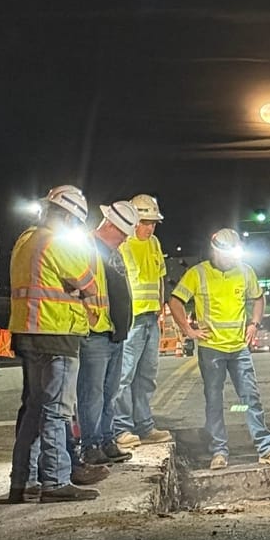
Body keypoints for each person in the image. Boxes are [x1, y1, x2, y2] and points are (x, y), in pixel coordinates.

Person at [7, 185, 103, 503]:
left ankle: (23, 481)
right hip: (56, 333)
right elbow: (88, 281)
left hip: (27, 332)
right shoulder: (58, 242)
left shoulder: (25, 240)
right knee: (57, 411)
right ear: (68, 216)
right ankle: (55, 481)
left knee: (34, 408)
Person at [168, 228, 270, 470]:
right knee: (214, 400)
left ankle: (266, 448)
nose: (232, 259)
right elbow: (175, 300)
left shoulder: (244, 271)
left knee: (250, 397)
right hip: (211, 349)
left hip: (239, 348)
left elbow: (258, 297)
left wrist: (254, 324)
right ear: (215, 250)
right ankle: (219, 451)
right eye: (227, 254)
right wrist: (188, 331)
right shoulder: (198, 273)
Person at [78, 200, 140, 466]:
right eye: (123, 233)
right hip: (95, 332)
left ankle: (105, 440)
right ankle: (91, 445)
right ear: (110, 224)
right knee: (92, 393)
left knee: (109, 392)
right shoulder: (86, 248)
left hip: (115, 333)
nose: (125, 240)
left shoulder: (114, 251)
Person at [111, 193, 172, 450]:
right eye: (145, 222)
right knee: (123, 376)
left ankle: (144, 426)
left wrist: (160, 306)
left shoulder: (154, 243)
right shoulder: (123, 245)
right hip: (131, 320)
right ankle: (121, 428)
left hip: (149, 318)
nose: (150, 227)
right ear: (134, 220)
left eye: (153, 223)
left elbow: (160, 277)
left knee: (146, 375)